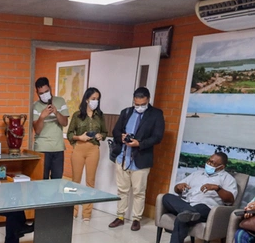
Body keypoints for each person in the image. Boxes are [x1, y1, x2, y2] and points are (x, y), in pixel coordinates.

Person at [158, 152, 238, 243]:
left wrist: (217, 188)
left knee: (182, 219)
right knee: (167, 197)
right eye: (209, 161)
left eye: (213, 163)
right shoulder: (197, 174)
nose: (209, 164)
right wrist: (179, 188)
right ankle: (188, 211)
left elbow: (230, 200)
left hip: (205, 208)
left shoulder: (227, 179)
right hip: (187, 203)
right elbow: (177, 189)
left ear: (222, 167)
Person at [108, 87, 165, 232]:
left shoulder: (156, 114)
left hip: (141, 159)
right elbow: (115, 131)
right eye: (136, 104)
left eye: (142, 104)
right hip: (123, 157)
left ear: (148, 100)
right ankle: (120, 216)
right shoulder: (126, 112)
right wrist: (120, 136)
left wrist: (140, 143)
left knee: (139, 191)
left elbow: (158, 137)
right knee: (122, 190)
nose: (139, 107)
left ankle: (136, 219)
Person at [66, 87, 106, 222]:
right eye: (93, 99)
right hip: (79, 148)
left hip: (93, 149)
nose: (95, 101)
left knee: (90, 182)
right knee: (75, 181)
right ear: (87, 99)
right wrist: (79, 138)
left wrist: (101, 136)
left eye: (97, 99)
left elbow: (105, 132)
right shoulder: (77, 115)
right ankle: (73, 210)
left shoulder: (100, 116)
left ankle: (87, 213)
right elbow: (70, 133)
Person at [32, 76, 69, 181]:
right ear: (37, 93)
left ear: (50, 88)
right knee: (41, 181)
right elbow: (37, 130)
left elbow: (65, 123)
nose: (44, 95)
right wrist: (42, 117)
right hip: (42, 148)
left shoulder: (60, 101)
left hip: (58, 148)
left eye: (46, 91)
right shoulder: (35, 106)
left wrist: (56, 113)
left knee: (57, 181)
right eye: (41, 93)